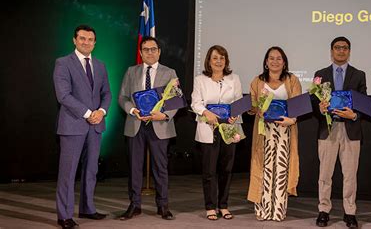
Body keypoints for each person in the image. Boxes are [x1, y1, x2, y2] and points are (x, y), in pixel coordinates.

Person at [53, 25, 111, 229]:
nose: (86, 42)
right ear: (74, 40)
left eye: (90, 39)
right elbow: (63, 95)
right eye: (82, 38)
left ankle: (88, 208)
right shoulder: (62, 63)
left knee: (91, 170)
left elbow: (107, 94)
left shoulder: (101, 65)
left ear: (95, 42)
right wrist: (88, 114)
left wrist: (101, 112)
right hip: (73, 125)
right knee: (68, 172)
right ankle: (65, 215)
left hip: (96, 126)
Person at [118, 36, 177, 221]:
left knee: (160, 167)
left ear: (159, 51)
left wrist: (164, 114)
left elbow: (175, 99)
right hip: (136, 124)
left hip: (160, 124)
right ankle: (134, 205)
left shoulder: (170, 73)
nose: (149, 52)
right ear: (141, 52)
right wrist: (133, 110)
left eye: (153, 49)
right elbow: (123, 97)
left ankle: (163, 206)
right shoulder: (131, 71)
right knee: (135, 167)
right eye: (145, 49)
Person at [313, 37, 367, 228]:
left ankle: (350, 212)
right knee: (325, 174)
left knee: (350, 174)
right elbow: (314, 103)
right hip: (328, 129)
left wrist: (354, 115)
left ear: (349, 51)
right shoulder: (320, 74)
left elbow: (363, 104)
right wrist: (319, 108)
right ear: (331, 51)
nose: (341, 51)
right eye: (337, 48)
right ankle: (323, 210)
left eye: (345, 48)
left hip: (351, 130)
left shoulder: (359, 75)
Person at [247, 46, 301, 221]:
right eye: (271, 58)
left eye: (279, 58)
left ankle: (278, 211)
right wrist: (256, 109)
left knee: (282, 171)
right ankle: (262, 210)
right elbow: (252, 106)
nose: (275, 61)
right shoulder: (257, 81)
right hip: (264, 132)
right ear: (266, 62)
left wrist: (291, 120)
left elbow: (297, 106)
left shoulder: (292, 80)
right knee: (264, 169)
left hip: (285, 130)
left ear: (284, 62)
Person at [191, 45, 243, 221]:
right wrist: (207, 113)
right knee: (209, 171)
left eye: (222, 58)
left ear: (226, 61)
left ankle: (223, 205)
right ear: (209, 61)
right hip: (208, 128)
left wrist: (235, 115)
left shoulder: (234, 79)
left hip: (230, 128)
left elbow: (238, 102)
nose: (219, 61)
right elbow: (195, 103)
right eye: (215, 58)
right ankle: (210, 206)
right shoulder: (200, 80)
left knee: (226, 170)